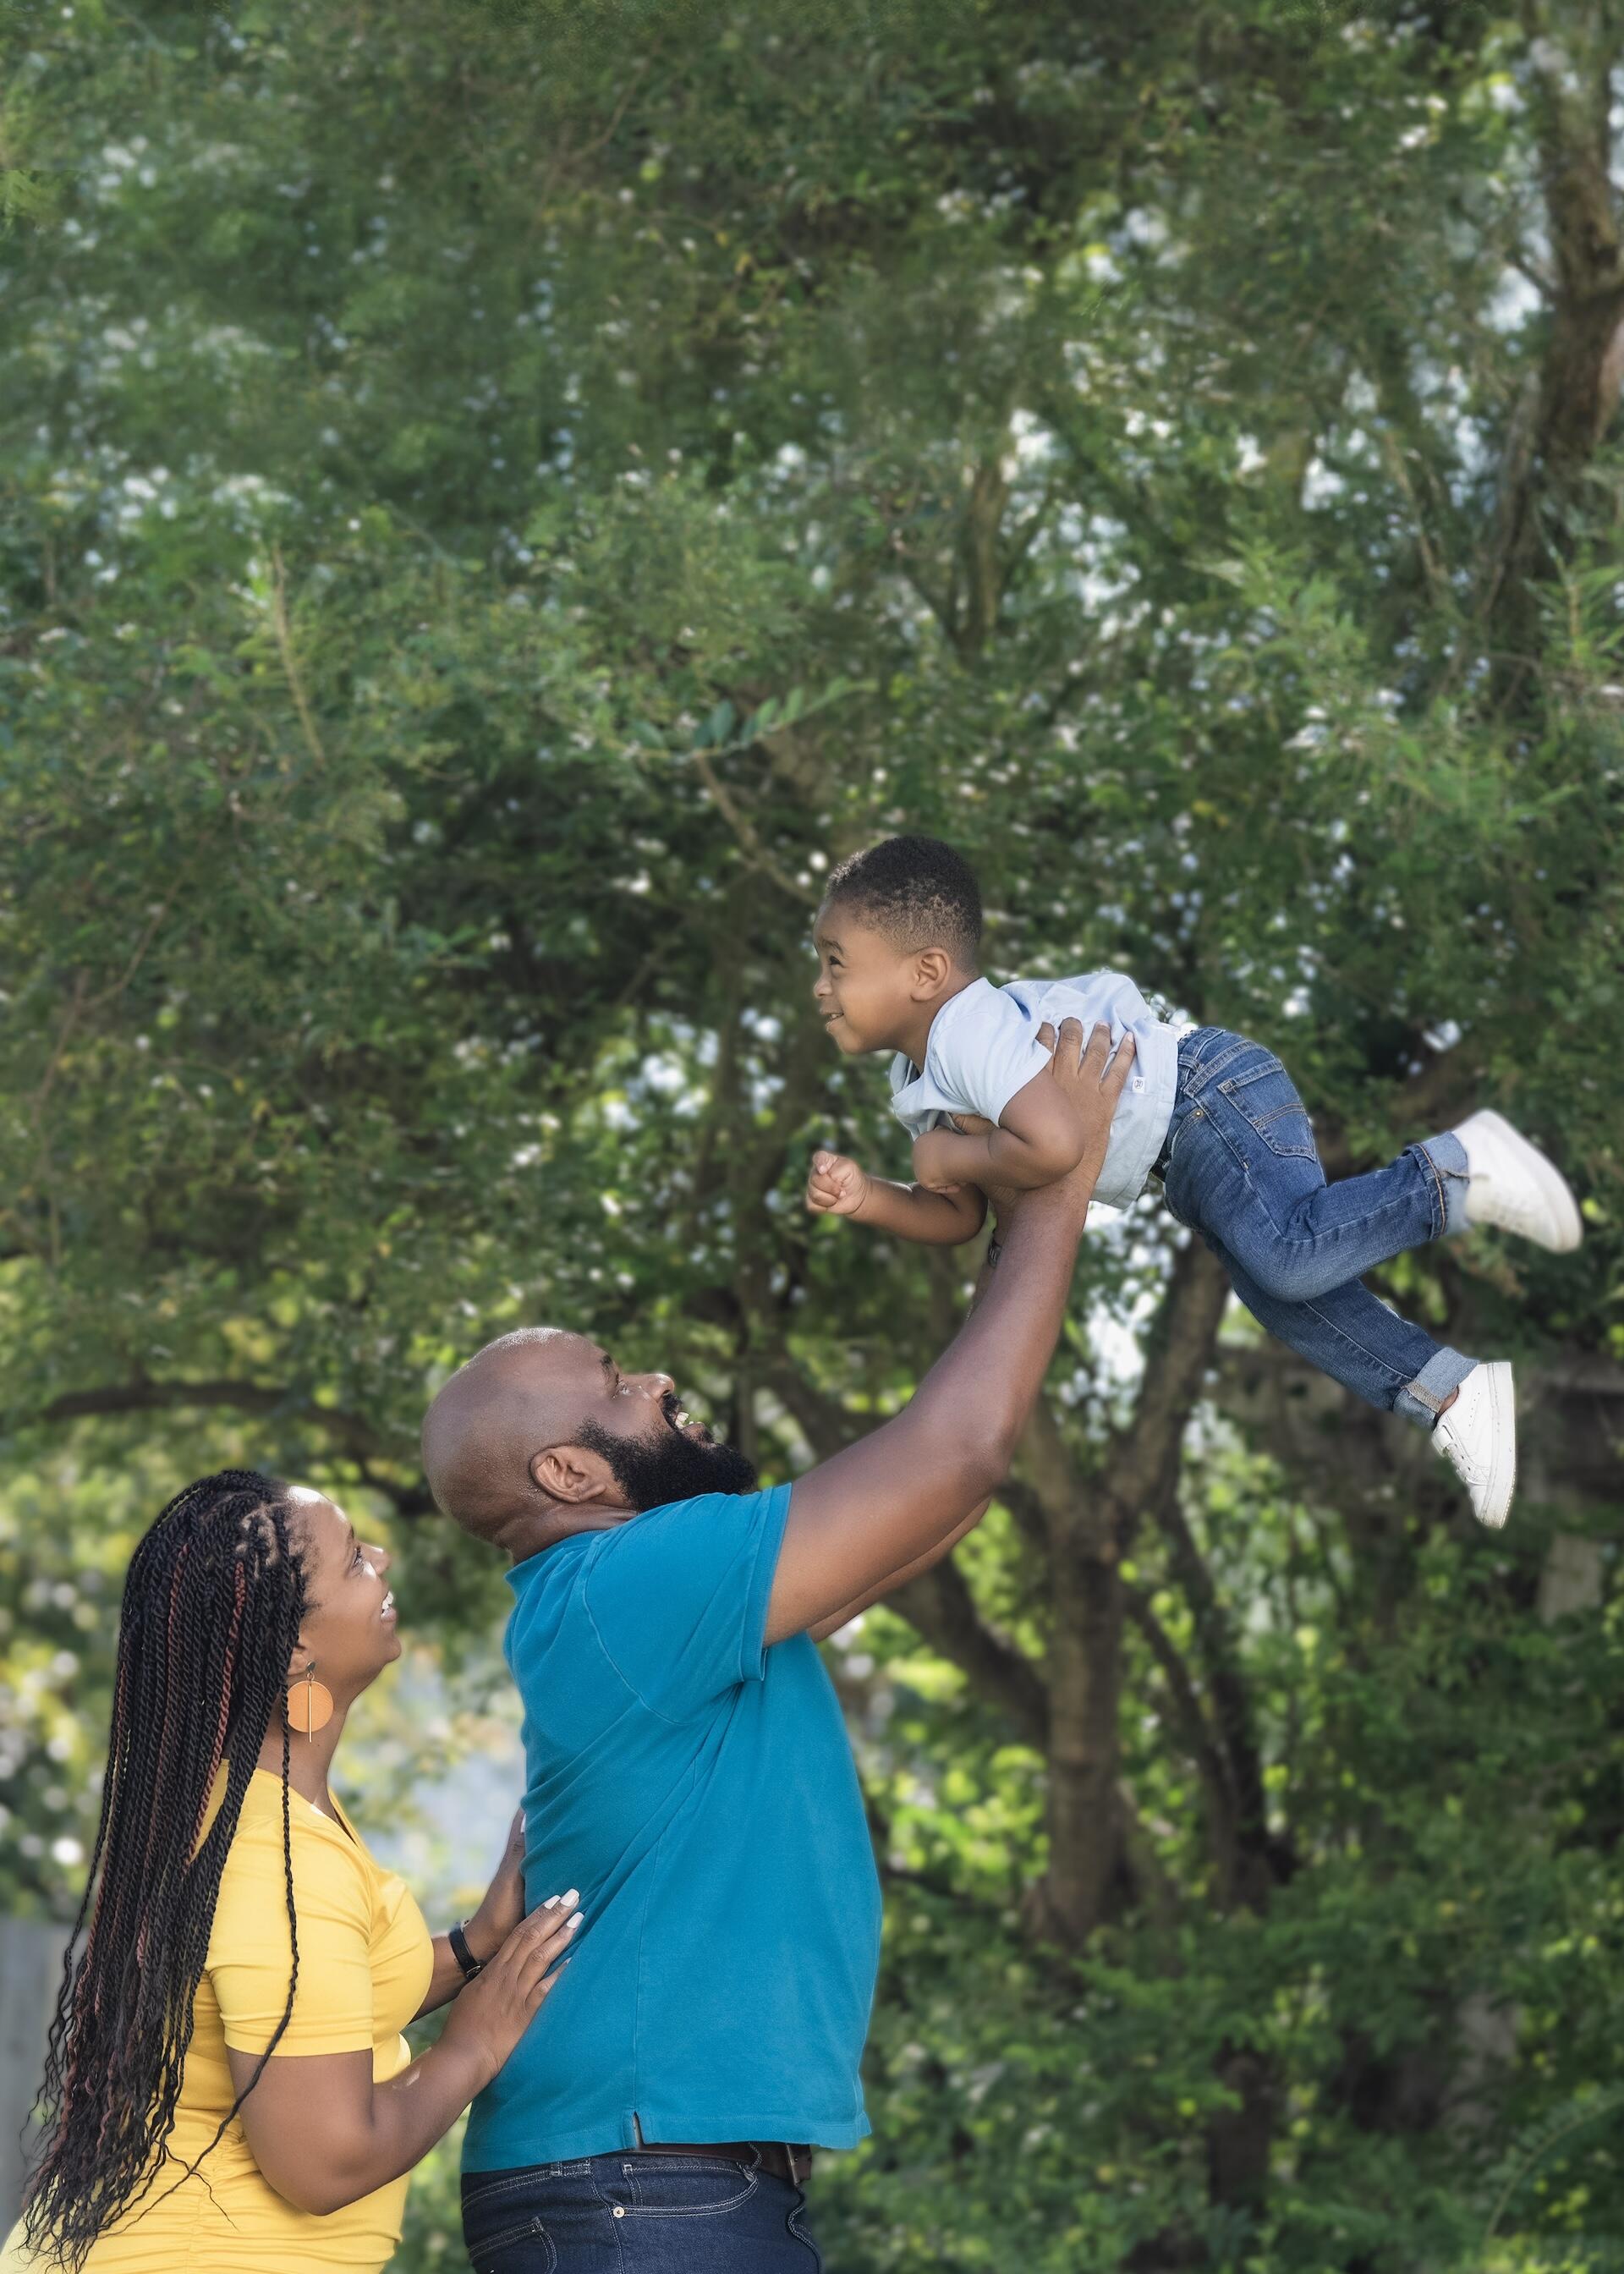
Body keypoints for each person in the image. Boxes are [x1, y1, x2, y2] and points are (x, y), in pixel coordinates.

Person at [420, 1017, 1133, 2271]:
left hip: (650, 2181)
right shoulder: (627, 1582)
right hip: (643, 2184)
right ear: (570, 1469)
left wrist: (1022, 1200)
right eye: (614, 1377)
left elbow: (937, 1507)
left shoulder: (637, 1602)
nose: (653, 1380)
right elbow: (953, 1452)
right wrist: (1065, 1178)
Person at [804, 833, 1585, 1532]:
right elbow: (961, 1218)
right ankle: (1453, 1394)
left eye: (835, 961)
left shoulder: (965, 1030)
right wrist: (874, 1197)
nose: (819, 986)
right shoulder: (920, 1079)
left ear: (926, 972)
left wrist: (949, 1160)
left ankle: (1459, 1170)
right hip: (1182, 1153)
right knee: (1285, 1293)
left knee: (1286, 1255)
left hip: (1205, 1094)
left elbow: (1054, 1143)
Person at [3, 1469, 580, 2274]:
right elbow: (324, 2163)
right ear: (295, 1648)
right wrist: (472, 2047)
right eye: (352, 1561)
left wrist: (477, 1943)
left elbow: (319, 2011)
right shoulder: (274, 1864)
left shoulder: (261, 1814)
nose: (381, 1557)